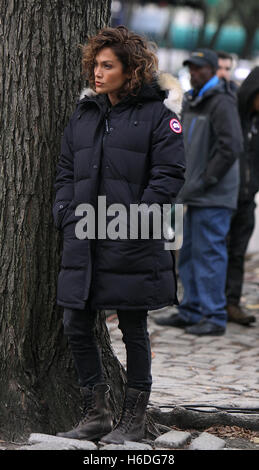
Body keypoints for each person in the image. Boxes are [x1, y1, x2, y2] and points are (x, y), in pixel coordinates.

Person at [52, 26, 185, 444]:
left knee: (133, 327)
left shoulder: (161, 118)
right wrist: (65, 214)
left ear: (131, 70)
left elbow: (169, 177)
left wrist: (132, 221)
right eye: (94, 64)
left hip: (132, 241)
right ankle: (97, 411)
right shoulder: (84, 115)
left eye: (107, 65)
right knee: (75, 322)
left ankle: (133, 418)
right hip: (83, 239)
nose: (96, 72)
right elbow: (65, 171)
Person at [155, 48, 243, 336]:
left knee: (209, 255)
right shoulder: (195, 100)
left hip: (213, 194)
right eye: (191, 68)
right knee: (191, 253)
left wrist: (206, 179)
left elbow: (231, 147)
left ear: (213, 70)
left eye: (200, 69)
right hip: (195, 192)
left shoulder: (221, 102)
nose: (194, 73)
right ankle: (191, 310)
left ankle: (214, 316)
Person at [225, 67, 259, 325]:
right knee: (217, 252)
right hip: (223, 198)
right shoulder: (232, 116)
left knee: (237, 253)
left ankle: (232, 303)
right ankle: (210, 304)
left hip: (247, 200)